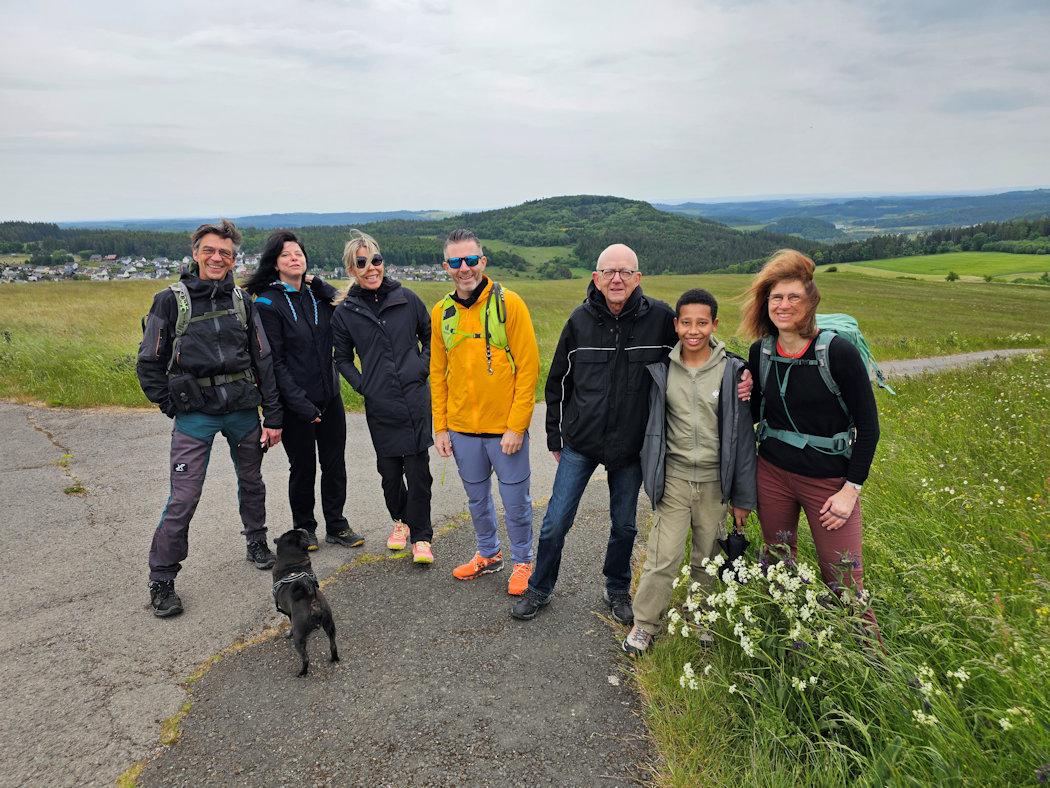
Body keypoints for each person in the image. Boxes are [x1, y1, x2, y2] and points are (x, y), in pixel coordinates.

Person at [510, 244, 678, 624]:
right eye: (608, 272)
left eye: (624, 272)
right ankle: (539, 587)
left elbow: (698, 350)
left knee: (625, 523)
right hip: (581, 442)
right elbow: (557, 384)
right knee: (556, 520)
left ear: (638, 278)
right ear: (595, 277)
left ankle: (617, 588)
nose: (616, 279)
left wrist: (738, 369)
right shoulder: (579, 321)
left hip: (632, 445)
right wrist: (555, 436)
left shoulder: (662, 320)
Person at [137, 219, 283, 618]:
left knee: (252, 481)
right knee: (184, 496)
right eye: (210, 251)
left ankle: (256, 542)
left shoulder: (241, 300)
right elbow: (149, 362)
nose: (217, 258)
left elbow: (263, 360)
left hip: (241, 409)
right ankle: (162, 578)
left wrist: (273, 415)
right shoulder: (170, 301)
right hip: (195, 415)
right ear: (196, 253)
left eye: (226, 253)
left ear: (234, 259)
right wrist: (172, 406)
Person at [741, 249, 880, 631]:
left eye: (793, 297)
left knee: (845, 582)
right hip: (771, 475)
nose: (783, 305)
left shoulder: (838, 352)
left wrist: (850, 490)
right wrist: (742, 389)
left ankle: (875, 667)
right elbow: (755, 416)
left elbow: (869, 427)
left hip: (828, 484)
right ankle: (796, 644)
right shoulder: (761, 351)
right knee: (777, 565)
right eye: (776, 298)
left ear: (811, 301)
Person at [622, 288, 757, 655]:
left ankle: (701, 621)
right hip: (675, 480)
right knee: (663, 557)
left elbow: (743, 438)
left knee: (707, 559)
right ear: (675, 325)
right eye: (686, 322)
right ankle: (645, 624)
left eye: (701, 322)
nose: (693, 330)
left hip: (716, 484)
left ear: (714, 324)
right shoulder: (662, 371)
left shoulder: (733, 371)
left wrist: (742, 497)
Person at [430, 228, 540, 594]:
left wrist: (517, 426)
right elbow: (437, 374)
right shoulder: (441, 313)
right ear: (447, 266)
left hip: (505, 430)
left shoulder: (511, 304)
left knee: (515, 503)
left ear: (483, 262)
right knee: (477, 500)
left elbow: (528, 368)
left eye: (472, 260)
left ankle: (524, 562)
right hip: (462, 430)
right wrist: (441, 427)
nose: (466, 269)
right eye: (457, 262)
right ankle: (489, 554)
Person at [245, 229, 363, 551]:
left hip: (330, 397)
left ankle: (337, 525)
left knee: (335, 464)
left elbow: (346, 306)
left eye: (298, 253)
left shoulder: (317, 297)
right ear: (275, 264)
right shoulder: (267, 303)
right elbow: (275, 363)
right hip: (297, 404)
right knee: (303, 467)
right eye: (286, 255)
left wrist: (319, 284)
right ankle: (305, 528)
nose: (294, 258)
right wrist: (301, 405)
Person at [332, 230, 434, 563]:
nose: (371, 267)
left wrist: (421, 367)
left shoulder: (407, 298)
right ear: (352, 270)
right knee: (390, 474)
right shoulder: (346, 312)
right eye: (362, 262)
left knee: (418, 472)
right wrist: (364, 385)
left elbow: (430, 335)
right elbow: (342, 358)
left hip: (415, 398)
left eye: (375, 259)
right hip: (380, 404)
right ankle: (401, 521)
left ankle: (421, 537)